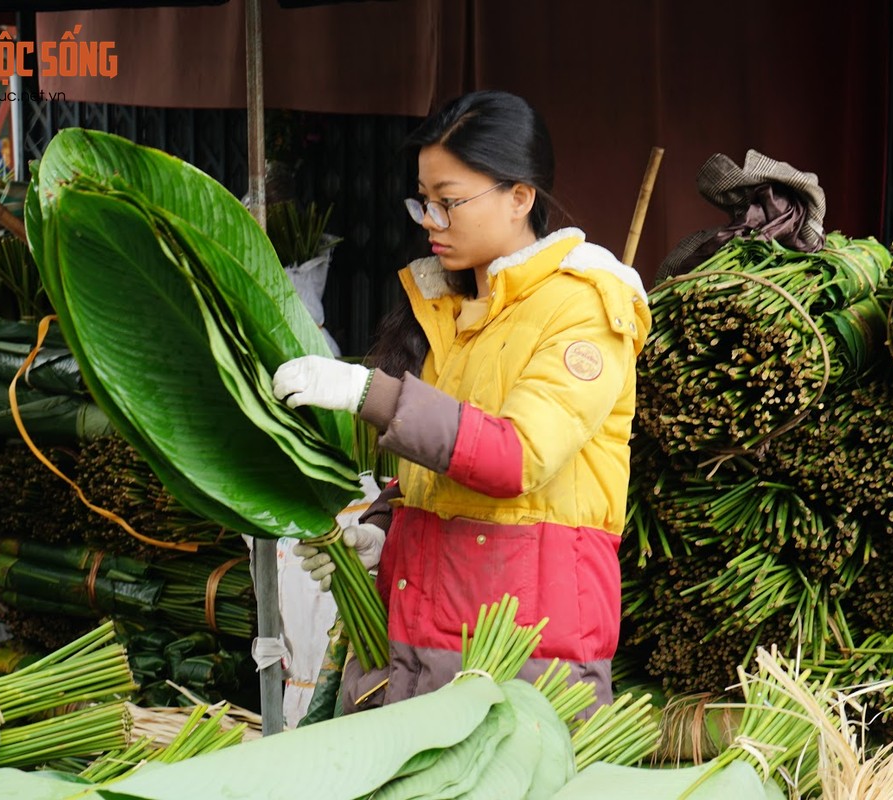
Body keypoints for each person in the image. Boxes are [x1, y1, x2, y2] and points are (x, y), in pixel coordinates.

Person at [272, 89, 650, 713]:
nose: (430, 221)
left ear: (520, 197)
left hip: (520, 671)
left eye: (449, 203)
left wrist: (367, 390)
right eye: (424, 201)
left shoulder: (586, 307)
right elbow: (442, 470)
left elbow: (514, 456)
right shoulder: (449, 307)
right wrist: (382, 532)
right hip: (417, 652)